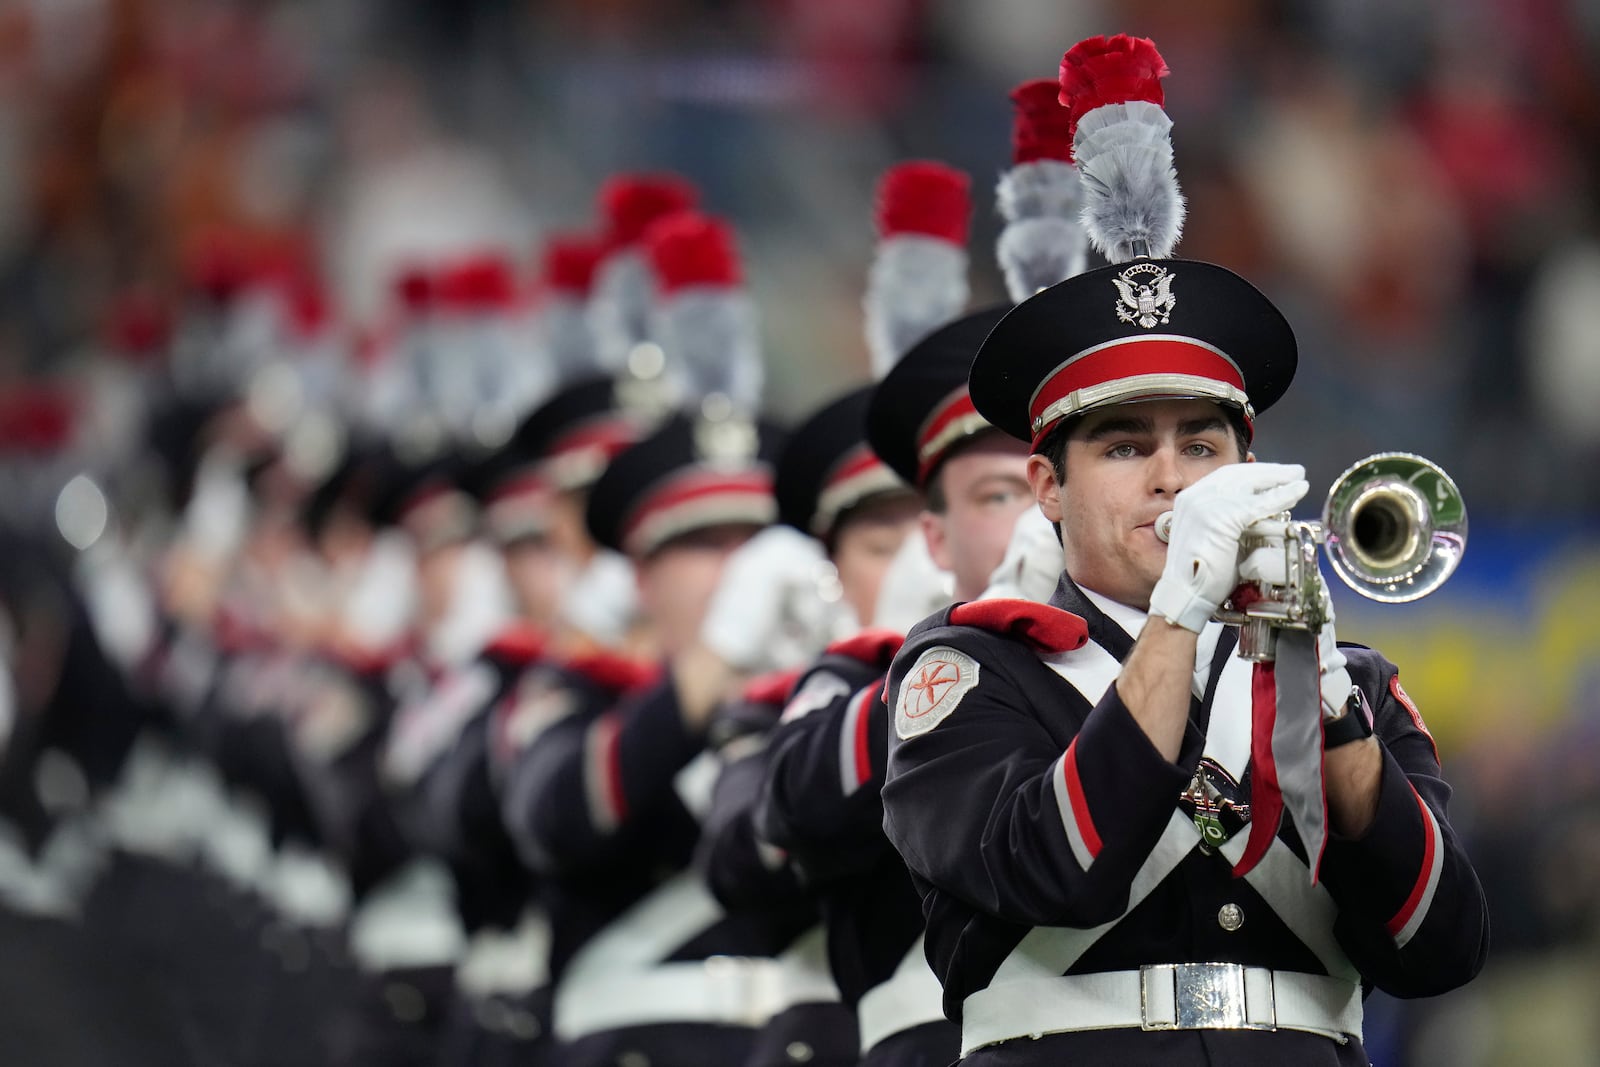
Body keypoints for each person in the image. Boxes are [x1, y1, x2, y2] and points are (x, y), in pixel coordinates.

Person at [877, 33, 1489, 1067]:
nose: (1170, 477)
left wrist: (1328, 708)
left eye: (1200, 444)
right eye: (1124, 445)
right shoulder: (969, 669)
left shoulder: (1350, 682)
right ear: (1046, 486)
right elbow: (1054, 865)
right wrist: (1180, 610)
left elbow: (1438, 944)